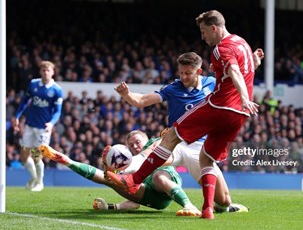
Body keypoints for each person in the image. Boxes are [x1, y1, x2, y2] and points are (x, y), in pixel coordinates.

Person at [108, 10, 260, 219]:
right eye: (180, 72)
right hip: (233, 116)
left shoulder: (218, 54)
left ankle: (134, 180)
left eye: (204, 31)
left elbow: (234, 72)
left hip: (220, 110)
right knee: (170, 141)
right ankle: (129, 176)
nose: (203, 37)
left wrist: (243, 97)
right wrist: (127, 95)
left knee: (224, 200)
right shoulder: (242, 43)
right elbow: (142, 101)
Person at [39, 130, 201, 216]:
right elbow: (134, 203)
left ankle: (189, 206)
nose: (136, 146)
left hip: (164, 176)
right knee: (110, 178)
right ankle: (66, 160)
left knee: (157, 177)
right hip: (155, 199)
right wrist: (110, 207)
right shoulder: (130, 160)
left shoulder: (155, 142)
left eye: (138, 142)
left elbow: (144, 158)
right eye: (132, 145)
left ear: (145, 140)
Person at [14, 61, 63, 191]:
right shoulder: (33, 84)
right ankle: (33, 178)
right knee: (24, 156)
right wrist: (17, 116)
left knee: (36, 156)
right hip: (30, 126)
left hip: (43, 129)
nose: (45, 72)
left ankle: (40, 183)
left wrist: (51, 123)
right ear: (40, 72)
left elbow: (58, 111)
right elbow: (25, 101)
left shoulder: (57, 90)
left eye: (48, 70)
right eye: (43, 70)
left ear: (52, 72)